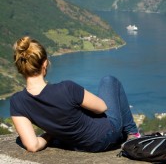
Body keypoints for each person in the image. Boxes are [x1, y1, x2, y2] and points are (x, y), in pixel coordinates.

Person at [10, 36, 140, 152]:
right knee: (109, 81)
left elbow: (33, 146)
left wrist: (51, 133)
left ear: (20, 68)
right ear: (45, 63)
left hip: (77, 146)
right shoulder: (66, 88)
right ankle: (133, 133)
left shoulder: (17, 102)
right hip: (106, 137)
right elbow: (102, 107)